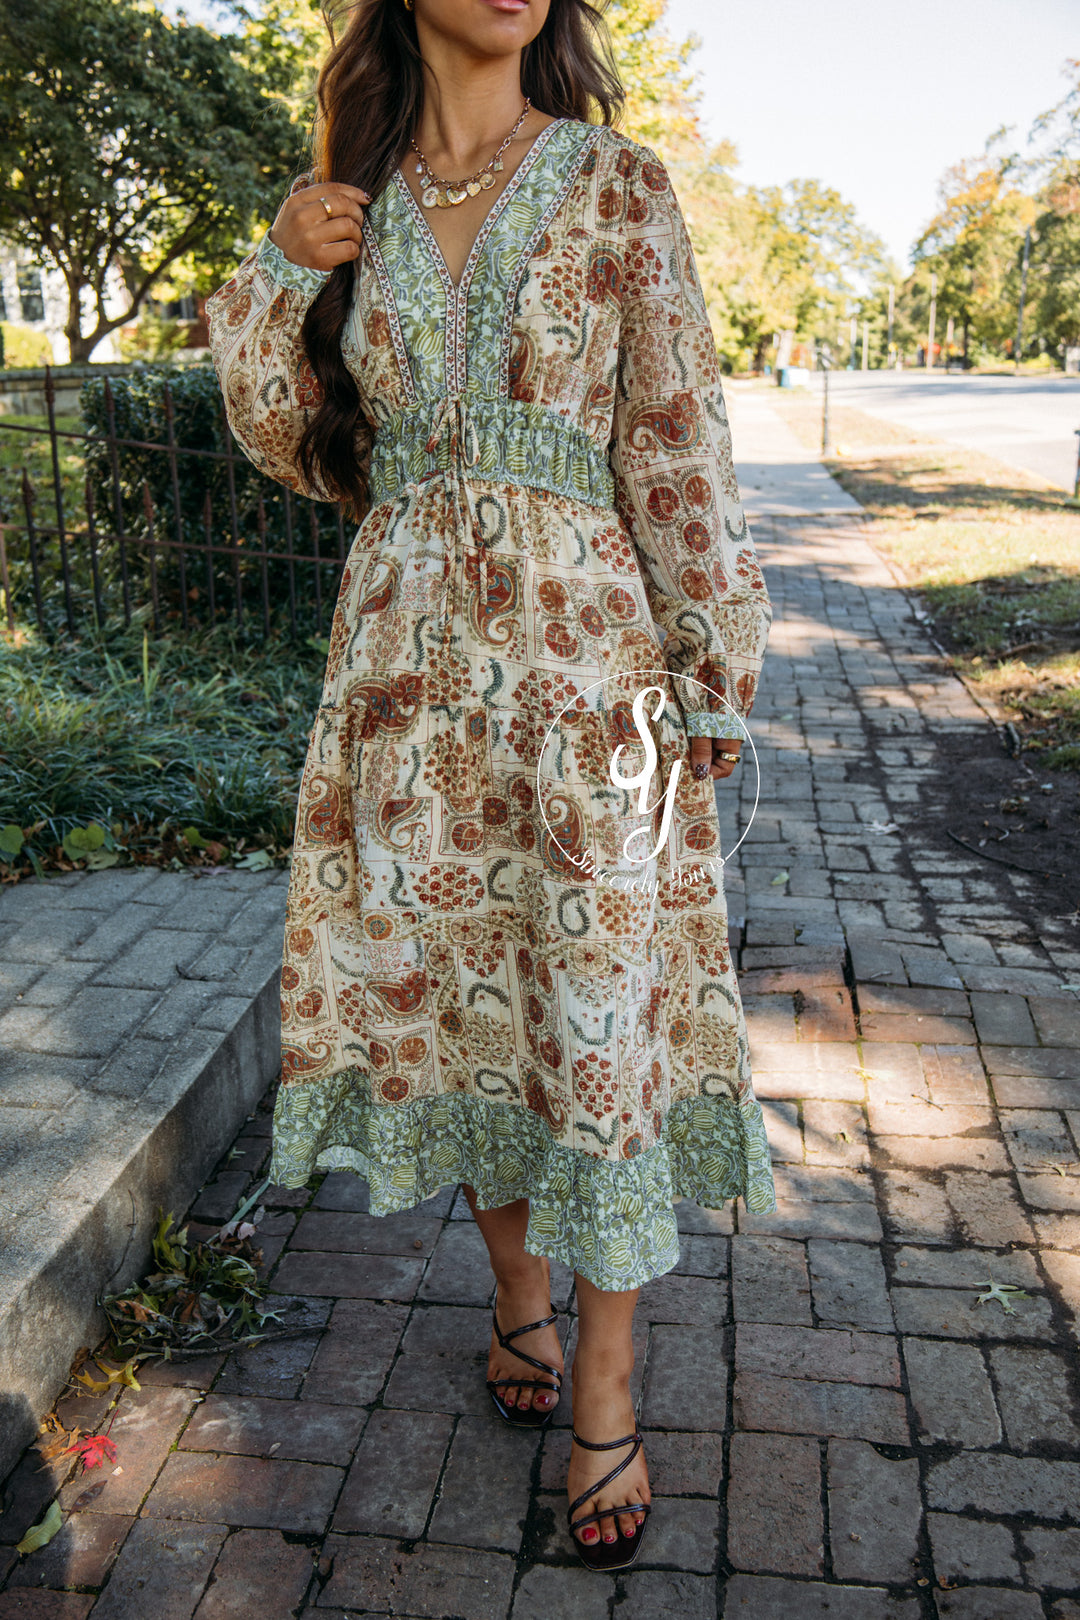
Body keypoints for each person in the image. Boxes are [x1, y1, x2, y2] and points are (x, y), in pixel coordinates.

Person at [206, 0, 774, 1574]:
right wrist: (278, 273)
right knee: (463, 995)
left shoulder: (617, 182)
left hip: (589, 672)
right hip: (400, 680)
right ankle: (517, 1308)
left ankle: (605, 1386)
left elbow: (678, 436)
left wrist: (710, 662)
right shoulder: (347, 202)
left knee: (596, 1012)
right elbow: (290, 443)